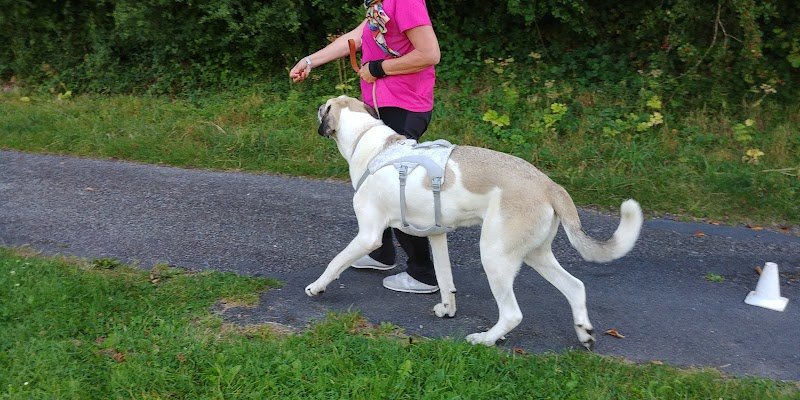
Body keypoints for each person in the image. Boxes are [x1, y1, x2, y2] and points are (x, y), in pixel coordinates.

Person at [289, 0, 441, 294]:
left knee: (394, 188)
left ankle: (423, 274)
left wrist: (379, 68)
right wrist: (309, 61)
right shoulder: (379, 3)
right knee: (373, 182)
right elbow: (358, 37)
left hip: (404, 106)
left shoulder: (405, 1)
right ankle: (381, 253)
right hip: (380, 105)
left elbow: (429, 54)